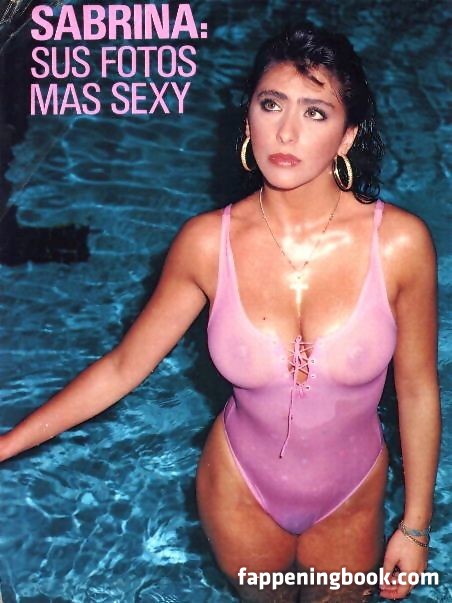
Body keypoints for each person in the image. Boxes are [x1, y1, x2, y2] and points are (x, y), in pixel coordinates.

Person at [0, 23, 440, 603]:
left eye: (315, 112)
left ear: (347, 136)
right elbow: (122, 368)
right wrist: (5, 445)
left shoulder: (400, 244)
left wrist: (415, 526)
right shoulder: (206, 244)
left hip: (351, 494)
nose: (286, 131)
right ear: (248, 118)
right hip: (239, 491)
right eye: (271, 104)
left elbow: (417, 389)